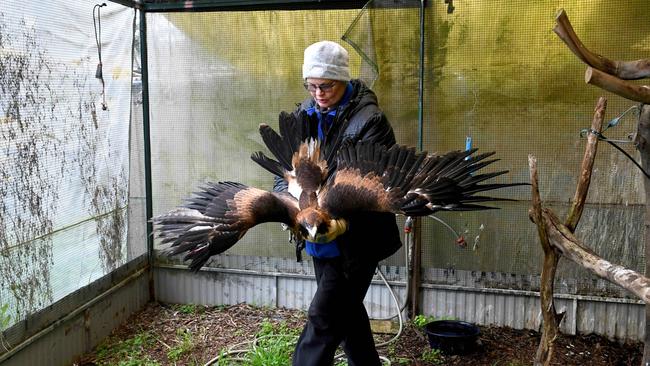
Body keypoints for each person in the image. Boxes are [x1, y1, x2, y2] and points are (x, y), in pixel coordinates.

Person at [274, 40, 402, 366]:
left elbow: (379, 185)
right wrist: (292, 208)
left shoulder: (370, 122)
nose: (318, 93)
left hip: (358, 240)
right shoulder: (304, 115)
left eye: (326, 85)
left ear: (343, 79)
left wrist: (342, 223)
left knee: (323, 319)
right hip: (318, 239)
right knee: (348, 315)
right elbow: (285, 169)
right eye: (312, 85)